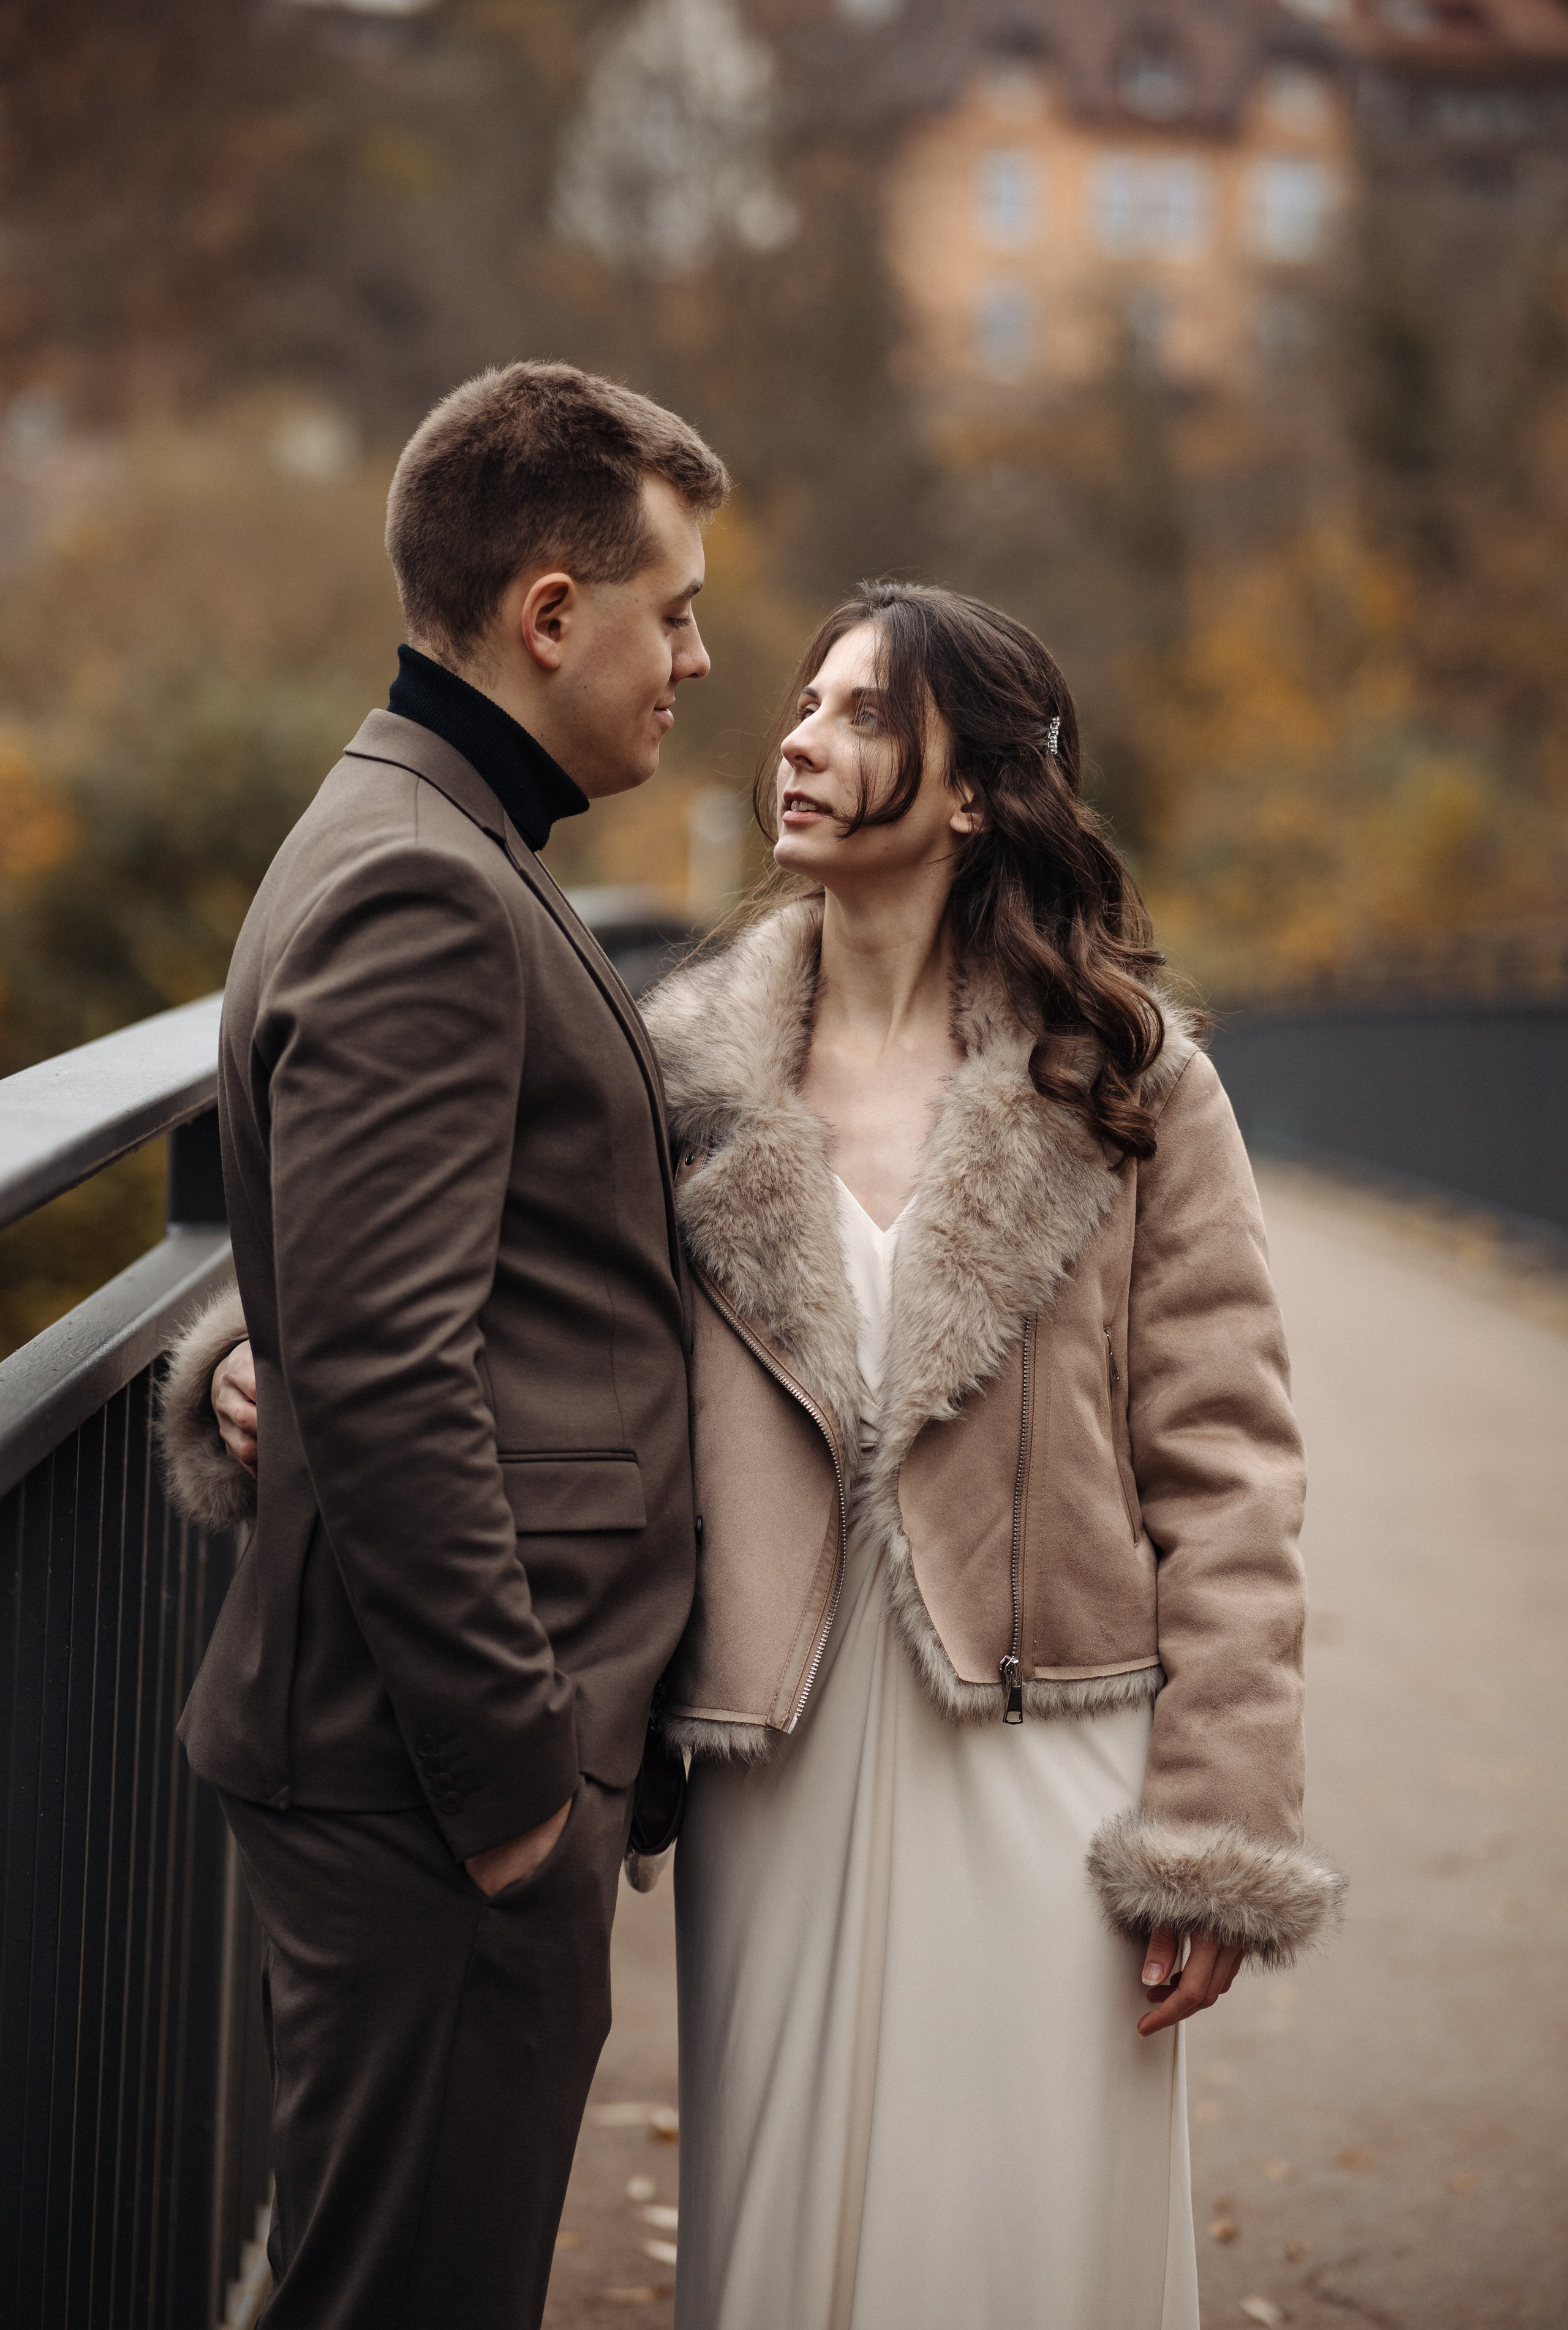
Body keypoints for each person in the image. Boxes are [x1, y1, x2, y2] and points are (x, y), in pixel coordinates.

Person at [180, 579, 1345, 2329]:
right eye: (803, 701)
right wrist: (246, 1370)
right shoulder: (677, 1070)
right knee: (793, 2216)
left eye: (865, 713)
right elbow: (458, 1299)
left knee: (1028, 2215)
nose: (797, 735)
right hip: (767, 1748)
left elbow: (1232, 1462)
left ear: (976, 793)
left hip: (1052, 1748)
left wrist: (1218, 1818)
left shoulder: (1127, 1079)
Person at [158, 359, 726, 2330]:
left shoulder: (428, 831)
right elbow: (391, 1373)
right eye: (673, 611)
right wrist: (515, 1789)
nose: (702, 658)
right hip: (436, 1785)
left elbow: (373, 1278)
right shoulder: (423, 875)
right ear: (549, 615)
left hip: (418, 1772)